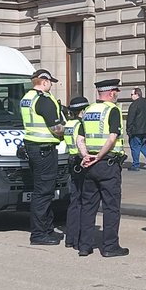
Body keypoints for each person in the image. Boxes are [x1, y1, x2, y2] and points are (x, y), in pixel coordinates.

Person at [75, 78, 129, 258]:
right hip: (107, 164)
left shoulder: (88, 110)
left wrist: (86, 156)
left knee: (88, 206)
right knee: (111, 206)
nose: (117, 96)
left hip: (89, 165)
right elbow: (113, 137)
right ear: (111, 93)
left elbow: (80, 139)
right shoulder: (112, 110)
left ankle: (84, 246)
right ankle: (110, 246)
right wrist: (99, 156)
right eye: (116, 93)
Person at [19, 69, 66, 245]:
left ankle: (46, 229)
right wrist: (68, 133)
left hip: (33, 147)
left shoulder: (26, 98)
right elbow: (56, 128)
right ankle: (39, 234)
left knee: (41, 190)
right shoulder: (43, 100)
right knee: (44, 192)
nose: (52, 85)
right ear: (44, 82)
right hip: (44, 150)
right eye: (50, 82)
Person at [62, 95, 91, 250]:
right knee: (83, 200)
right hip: (81, 161)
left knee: (74, 201)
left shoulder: (68, 124)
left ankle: (70, 238)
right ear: (82, 110)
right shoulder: (81, 124)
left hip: (71, 161)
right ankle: (79, 237)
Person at [125, 87, 146, 171]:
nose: (131, 96)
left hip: (136, 130)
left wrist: (128, 130)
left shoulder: (134, 105)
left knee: (135, 146)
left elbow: (130, 118)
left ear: (137, 94)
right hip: (145, 130)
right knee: (142, 144)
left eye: (132, 94)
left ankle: (135, 165)